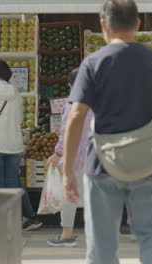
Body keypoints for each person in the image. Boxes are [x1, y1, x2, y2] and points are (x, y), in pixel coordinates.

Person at [61, 1, 152, 263]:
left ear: (103, 24)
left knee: (102, 248)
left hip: (101, 164)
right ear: (138, 24)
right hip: (149, 163)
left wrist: (67, 170)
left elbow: (75, 118)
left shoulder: (92, 63)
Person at [0, 59, 42, 231]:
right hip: (14, 145)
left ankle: (0, 223)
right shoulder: (16, 93)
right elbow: (20, 120)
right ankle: (18, 219)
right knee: (12, 183)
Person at [46, 68, 93, 247]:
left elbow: (66, 131)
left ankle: (66, 235)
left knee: (69, 195)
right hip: (94, 156)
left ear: (71, 84)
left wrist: (58, 153)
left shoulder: (71, 103)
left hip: (74, 157)